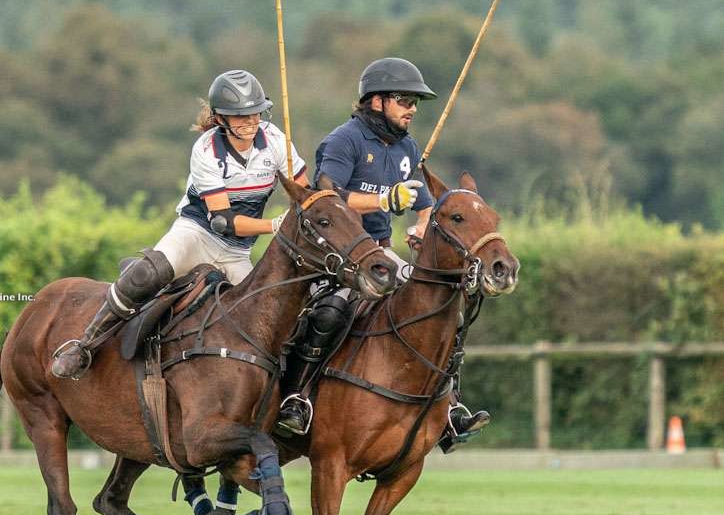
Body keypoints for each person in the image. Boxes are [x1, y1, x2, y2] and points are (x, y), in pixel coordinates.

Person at [276, 57, 490, 450]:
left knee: (443, 310)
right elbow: (327, 198)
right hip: (337, 257)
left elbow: (425, 204)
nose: (411, 109)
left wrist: (423, 224)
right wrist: (383, 199)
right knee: (332, 310)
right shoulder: (343, 140)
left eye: (414, 102)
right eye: (403, 100)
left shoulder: (407, 146)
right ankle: (298, 397)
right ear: (376, 101)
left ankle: (449, 408)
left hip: (384, 254)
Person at [52, 69, 306, 380]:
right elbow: (222, 221)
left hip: (238, 253)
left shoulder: (277, 141)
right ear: (221, 119)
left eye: (255, 113)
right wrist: (274, 226)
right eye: (240, 116)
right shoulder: (207, 149)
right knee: (147, 273)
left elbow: (303, 193)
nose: (250, 122)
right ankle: (84, 345)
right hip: (197, 234)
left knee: (264, 317)